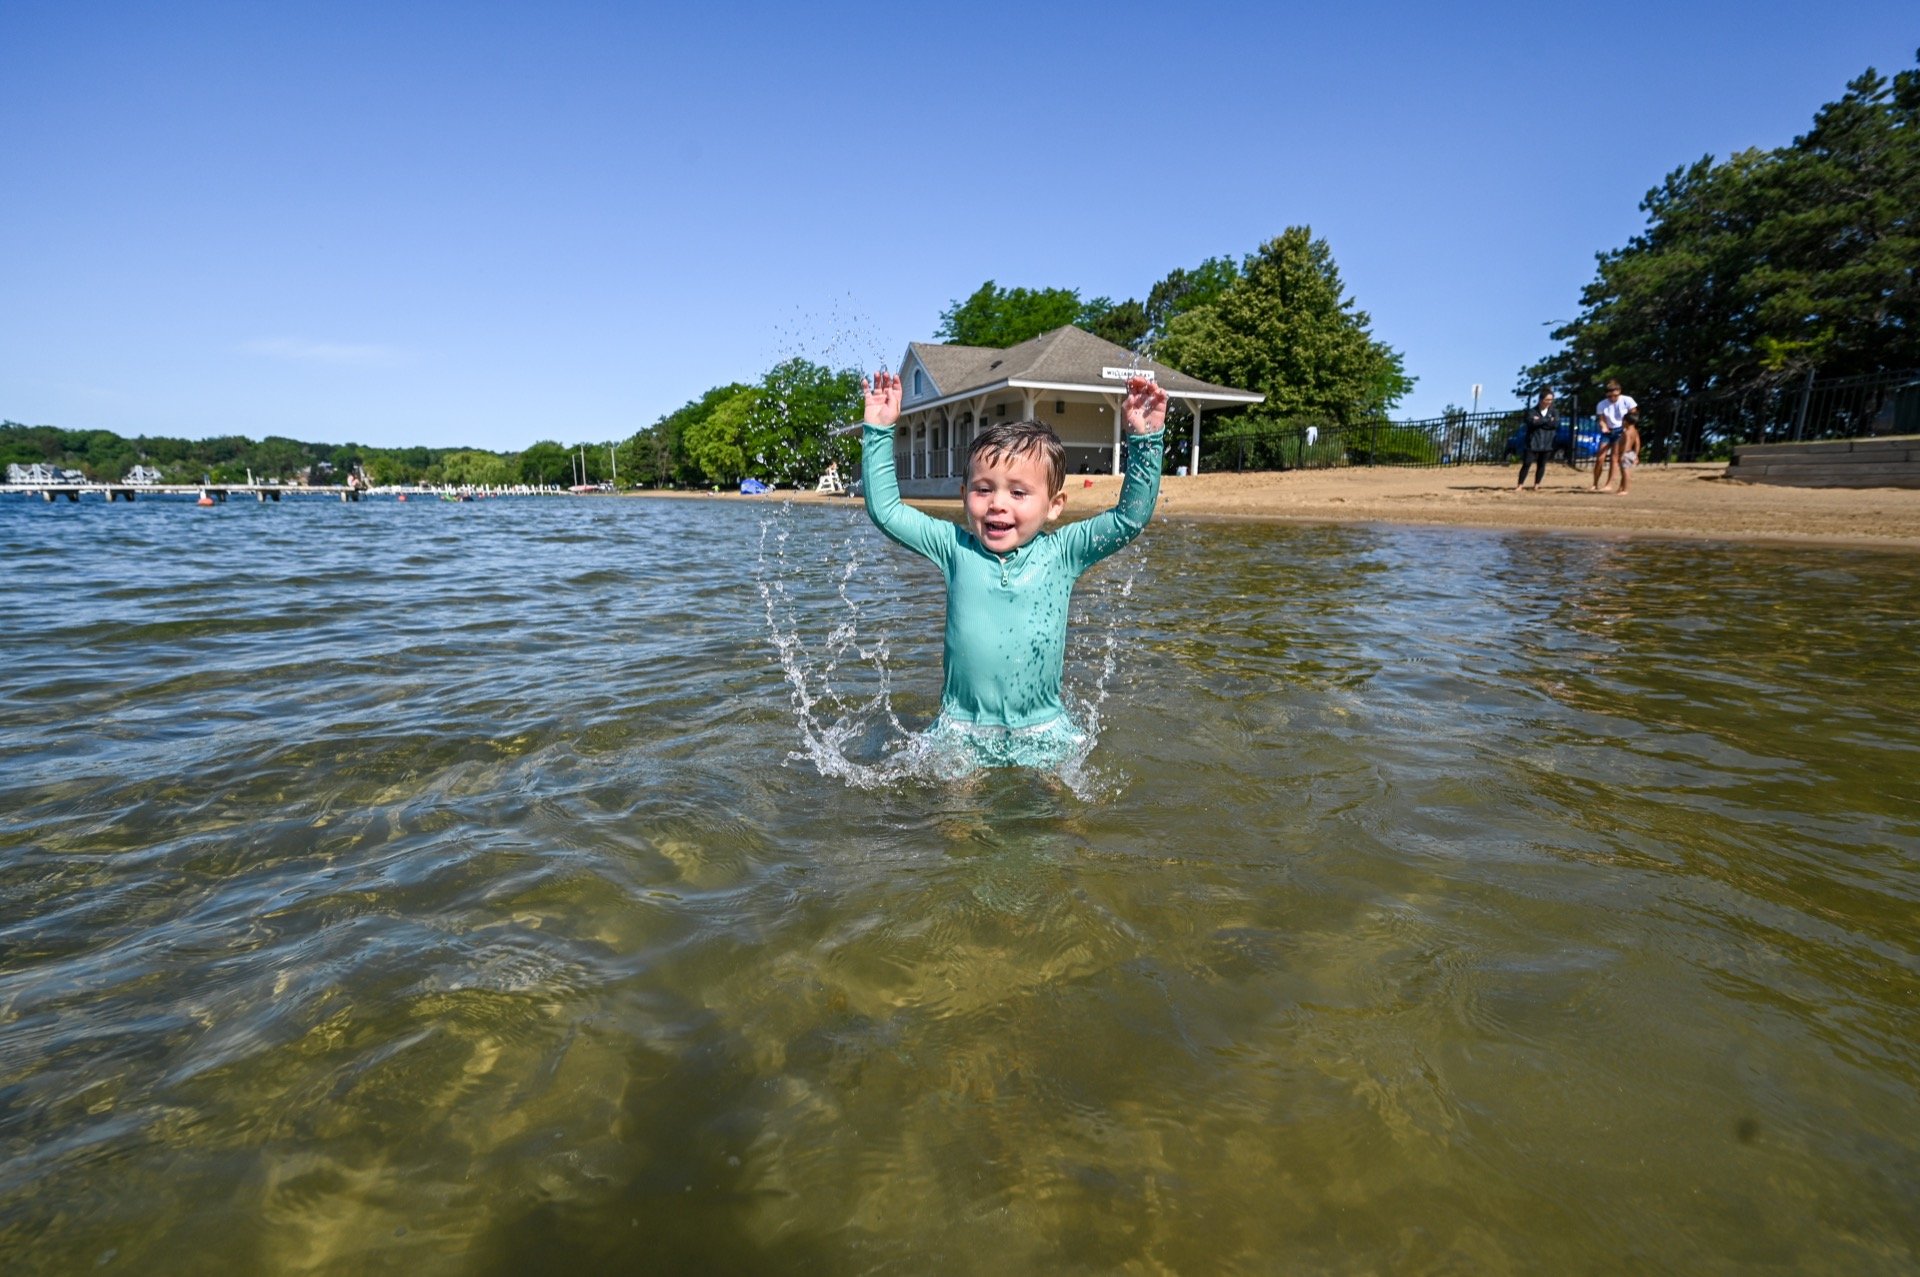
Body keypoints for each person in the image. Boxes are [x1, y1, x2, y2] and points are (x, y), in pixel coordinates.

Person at [859, 368, 1167, 767]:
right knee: (955, 823)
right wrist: (880, 432)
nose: (998, 503)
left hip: (1043, 728)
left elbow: (1130, 519)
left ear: (1054, 505)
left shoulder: (1064, 552)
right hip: (961, 728)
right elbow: (886, 511)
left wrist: (1145, 441)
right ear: (964, 495)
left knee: (1060, 820)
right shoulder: (954, 548)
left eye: (1019, 492)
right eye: (983, 489)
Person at [1594, 379, 1637, 491]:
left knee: (1615, 457)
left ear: (1619, 391)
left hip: (1621, 431)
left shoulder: (1628, 400)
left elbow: (1633, 416)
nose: (1612, 398)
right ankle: (1595, 483)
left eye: (1615, 395)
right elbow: (1601, 420)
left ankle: (1609, 484)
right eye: (1610, 396)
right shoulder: (1601, 404)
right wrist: (1603, 426)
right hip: (1608, 432)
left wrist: (1628, 430)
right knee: (1600, 457)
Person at [1516, 389, 1557, 491]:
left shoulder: (1554, 412)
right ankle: (1520, 485)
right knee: (1527, 463)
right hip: (1533, 441)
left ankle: (1537, 484)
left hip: (1547, 442)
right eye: (1547, 399)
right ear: (1541, 399)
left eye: (1551, 400)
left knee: (1541, 465)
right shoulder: (1531, 411)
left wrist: (1540, 421)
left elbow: (1554, 425)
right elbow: (1531, 423)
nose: (1549, 402)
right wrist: (1547, 420)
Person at [1615, 408, 1642, 494]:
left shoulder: (1626, 432)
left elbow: (1626, 444)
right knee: (1624, 472)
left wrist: (1621, 455)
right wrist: (1636, 455)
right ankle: (1621, 488)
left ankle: (1625, 489)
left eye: (1623, 420)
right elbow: (1637, 443)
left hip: (1625, 454)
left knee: (1625, 472)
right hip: (1631, 453)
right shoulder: (1635, 431)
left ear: (1626, 421)